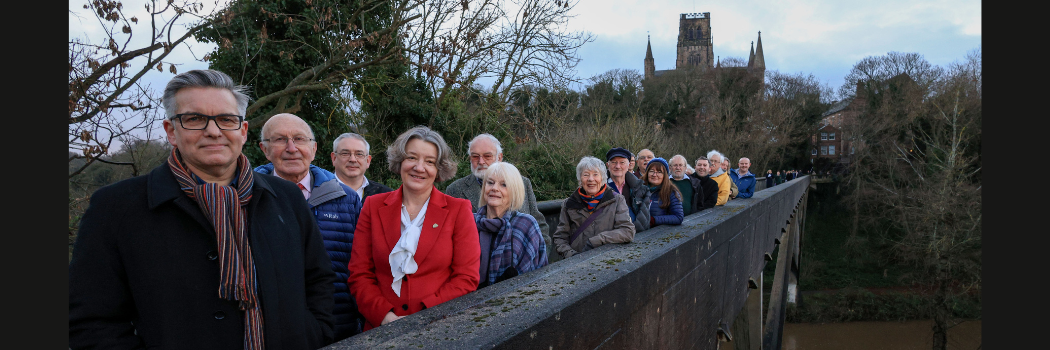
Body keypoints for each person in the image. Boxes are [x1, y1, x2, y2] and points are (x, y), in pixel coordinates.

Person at [69, 69, 337, 349]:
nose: (213, 131)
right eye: (194, 119)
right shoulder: (116, 208)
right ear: (171, 131)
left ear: (242, 131)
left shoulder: (285, 198)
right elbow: (91, 320)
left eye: (226, 119)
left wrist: (313, 333)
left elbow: (318, 279)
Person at [347, 126, 480, 331]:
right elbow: (360, 273)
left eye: (429, 162)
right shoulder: (372, 206)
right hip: (380, 330)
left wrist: (425, 316)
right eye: (411, 158)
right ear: (400, 162)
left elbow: (466, 278)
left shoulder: (458, 210)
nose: (419, 167)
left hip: (438, 329)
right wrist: (385, 317)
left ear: (438, 170)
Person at [254, 113, 364, 340]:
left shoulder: (346, 199)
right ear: (264, 149)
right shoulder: (246, 198)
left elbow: (362, 266)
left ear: (314, 149)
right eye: (279, 140)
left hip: (339, 326)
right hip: (269, 330)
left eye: (300, 139)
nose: (291, 148)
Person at [445, 134, 549, 245]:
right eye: (475, 156)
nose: (481, 161)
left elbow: (540, 226)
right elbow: (449, 234)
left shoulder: (523, 183)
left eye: (487, 156)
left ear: (499, 157)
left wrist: (540, 257)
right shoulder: (454, 190)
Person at [473, 162, 548, 288]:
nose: (495, 188)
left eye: (504, 185)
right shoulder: (469, 222)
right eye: (490, 183)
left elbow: (539, 271)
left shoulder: (526, 224)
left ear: (514, 191)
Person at [552, 156, 636, 258]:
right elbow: (560, 237)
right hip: (577, 264)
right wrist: (571, 255)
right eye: (586, 175)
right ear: (580, 179)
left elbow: (627, 231)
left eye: (595, 174)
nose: (591, 179)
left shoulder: (617, 200)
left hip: (609, 260)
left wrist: (598, 240)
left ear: (602, 178)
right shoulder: (569, 204)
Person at [331, 132, 394, 201]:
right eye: (345, 153)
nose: (353, 159)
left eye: (359, 154)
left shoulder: (386, 195)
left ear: (368, 161)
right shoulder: (319, 192)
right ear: (334, 158)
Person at [605, 147, 651, 233]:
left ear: (629, 165)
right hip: (609, 239)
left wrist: (631, 232)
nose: (618, 166)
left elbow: (644, 218)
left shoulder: (641, 188)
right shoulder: (599, 188)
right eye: (614, 162)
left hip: (637, 236)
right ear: (608, 165)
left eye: (622, 162)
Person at [643, 157, 684, 227]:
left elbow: (678, 217)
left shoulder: (671, 192)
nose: (654, 175)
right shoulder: (640, 189)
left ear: (665, 175)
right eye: (652, 171)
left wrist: (654, 220)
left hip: (659, 233)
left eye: (659, 172)